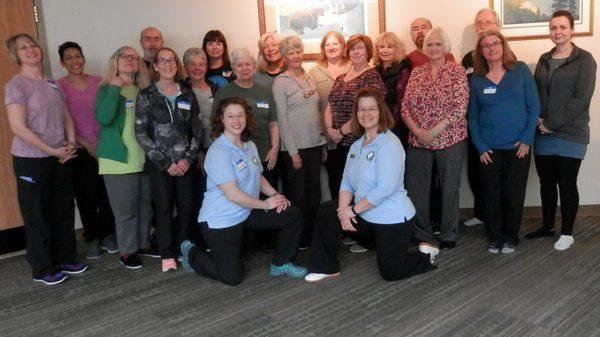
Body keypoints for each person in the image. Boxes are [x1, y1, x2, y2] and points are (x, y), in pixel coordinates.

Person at [305, 88, 436, 283]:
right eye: (361, 109)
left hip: (391, 218)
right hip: (365, 216)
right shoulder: (358, 145)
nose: (366, 114)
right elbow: (347, 182)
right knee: (327, 211)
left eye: (372, 109)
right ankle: (326, 267)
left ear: (381, 111)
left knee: (391, 272)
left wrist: (352, 211)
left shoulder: (390, 143)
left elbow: (385, 189)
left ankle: (426, 256)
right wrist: (342, 210)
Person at [180, 98, 307, 286]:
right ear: (221, 119)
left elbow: (258, 176)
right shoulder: (219, 151)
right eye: (230, 116)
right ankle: (191, 254)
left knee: (292, 214)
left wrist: (275, 195)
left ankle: (280, 263)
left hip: (246, 213)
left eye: (240, 115)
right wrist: (265, 204)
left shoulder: (250, 146)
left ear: (246, 117)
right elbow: (233, 195)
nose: (236, 120)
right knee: (232, 277)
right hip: (221, 220)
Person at [5, 34, 86, 285]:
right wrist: (51, 151)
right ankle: (42, 268)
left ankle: (65, 258)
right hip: (32, 159)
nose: (30, 50)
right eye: (23, 48)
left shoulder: (52, 83)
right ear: (16, 55)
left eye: (33, 45)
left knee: (62, 209)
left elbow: (66, 118)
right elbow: (18, 128)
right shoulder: (16, 85)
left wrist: (70, 144)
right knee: (36, 213)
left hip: (60, 156)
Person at [526, 10, 597, 251]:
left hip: (571, 134)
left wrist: (550, 123)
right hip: (543, 133)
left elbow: (581, 99)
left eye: (562, 27)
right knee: (547, 183)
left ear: (571, 30)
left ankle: (567, 232)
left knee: (566, 183)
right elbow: (536, 93)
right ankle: (547, 227)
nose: (557, 32)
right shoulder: (544, 59)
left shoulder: (585, 59)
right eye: (553, 27)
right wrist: (537, 119)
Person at [468, 31, 540, 254]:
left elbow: (534, 106)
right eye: (486, 46)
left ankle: (510, 236)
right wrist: (480, 146)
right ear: (481, 51)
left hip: (518, 147)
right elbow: (473, 117)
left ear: (503, 45)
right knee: (491, 194)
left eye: (495, 43)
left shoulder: (520, 70)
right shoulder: (477, 79)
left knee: (513, 193)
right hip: (488, 149)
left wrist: (527, 139)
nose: (491, 48)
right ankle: (495, 236)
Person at [401, 27, 469, 259]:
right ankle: (423, 233)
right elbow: (405, 107)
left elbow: (460, 108)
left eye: (437, 44)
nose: (433, 48)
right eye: (429, 44)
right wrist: (419, 131)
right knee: (417, 189)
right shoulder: (417, 73)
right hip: (418, 138)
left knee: (449, 188)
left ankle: (449, 234)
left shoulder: (456, 72)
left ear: (445, 47)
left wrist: (434, 132)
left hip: (450, 138)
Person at [135, 47, 202, 272]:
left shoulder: (187, 93)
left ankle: (184, 249)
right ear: (155, 66)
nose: (167, 64)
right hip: (159, 166)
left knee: (187, 207)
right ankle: (167, 253)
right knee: (163, 208)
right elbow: (141, 133)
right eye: (162, 61)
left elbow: (197, 130)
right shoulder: (146, 95)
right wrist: (166, 163)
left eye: (171, 60)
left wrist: (188, 159)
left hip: (185, 164)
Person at [324, 34, 385, 253]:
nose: (357, 52)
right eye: (353, 49)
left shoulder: (372, 78)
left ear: (368, 52)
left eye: (361, 48)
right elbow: (330, 105)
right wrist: (331, 130)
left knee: (361, 190)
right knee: (341, 188)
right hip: (338, 144)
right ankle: (351, 229)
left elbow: (367, 112)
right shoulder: (341, 78)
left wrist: (340, 131)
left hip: (359, 143)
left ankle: (365, 237)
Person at [57, 41, 117, 260]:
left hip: (105, 146)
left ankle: (108, 234)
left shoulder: (98, 82)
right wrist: (84, 142)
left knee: (107, 194)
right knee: (86, 196)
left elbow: (107, 112)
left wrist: (101, 143)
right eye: (69, 58)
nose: (75, 61)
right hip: (78, 149)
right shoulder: (59, 85)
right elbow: (64, 119)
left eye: (78, 56)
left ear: (84, 58)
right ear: (62, 63)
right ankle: (92, 238)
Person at [95, 46, 154, 269]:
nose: (130, 60)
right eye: (124, 56)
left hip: (143, 159)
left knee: (145, 206)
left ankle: (143, 244)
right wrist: (114, 88)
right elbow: (104, 118)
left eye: (134, 57)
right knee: (126, 211)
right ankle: (127, 252)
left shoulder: (143, 90)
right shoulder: (107, 89)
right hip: (118, 161)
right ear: (115, 61)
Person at [273, 36, 326, 248]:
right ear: (284, 57)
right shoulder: (281, 82)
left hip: (314, 144)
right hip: (295, 149)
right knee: (298, 196)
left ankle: (312, 235)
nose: (296, 56)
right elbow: (281, 119)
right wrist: (293, 152)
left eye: (298, 51)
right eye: (291, 53)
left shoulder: (309, 77)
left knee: (315, 194)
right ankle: (299, 238)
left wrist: (322, 141)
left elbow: (316, 112)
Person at [212, 48, 280, 191]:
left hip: (265, 155)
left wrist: (274, 148)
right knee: (245, 198)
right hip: (236, 158)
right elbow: (216, 126)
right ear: (233, 68)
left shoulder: (264, 92)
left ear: (254, 66)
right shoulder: (224, 92)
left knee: (268, 195)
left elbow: (273, 123)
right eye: (239, 65)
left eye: (248, 64)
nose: (244, 68)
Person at [461, 8, 501, 228]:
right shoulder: (468, 57)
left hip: (496, 125)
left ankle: (499, 217)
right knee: (475, 171)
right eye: (478, 23)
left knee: (494, 173)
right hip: (472, 124)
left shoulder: (505, 54)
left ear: (497, 25)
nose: (482, 26)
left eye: (487, 22)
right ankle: (482, 212)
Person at [308, 31, 351, 199]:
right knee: (335, 179)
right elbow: (313, 107)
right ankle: (338, 218)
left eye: (335, 43)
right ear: (323, 49)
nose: (331, 47)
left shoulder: (352, 67)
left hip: (352, 134)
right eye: (327, 45)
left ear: (343, 46)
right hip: (328, 137)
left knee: (357, 179)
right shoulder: (314, 72)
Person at [181, 47, 218, 211]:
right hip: (190, 153)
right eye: (192, 64)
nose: (197, 68)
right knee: (196, 197)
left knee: (215, 193)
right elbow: (181, 125)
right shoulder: (179, 90)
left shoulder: (216, 89)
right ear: (185, 68)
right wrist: (199, 153)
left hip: (215, 149)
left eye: (201, 64)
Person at [373, 32, 411, 148]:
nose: (385, 50)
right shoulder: (374, 71)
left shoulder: (403, 69)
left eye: (390, 47)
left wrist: (388, 125)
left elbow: (401, 102)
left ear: (397, 49)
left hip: (396, 126)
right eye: (382, 47)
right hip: (376, 125)